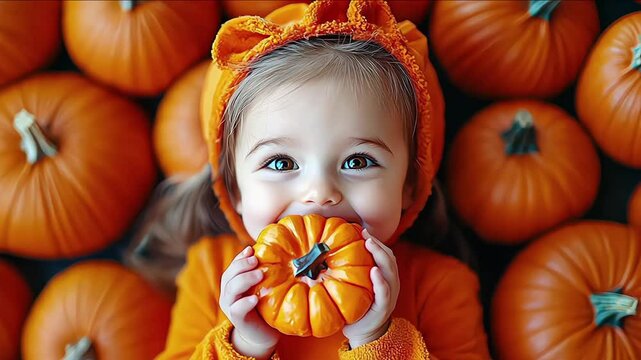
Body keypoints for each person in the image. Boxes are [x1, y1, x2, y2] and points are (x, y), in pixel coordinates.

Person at [130, 1, 490, 359]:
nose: (320, 193)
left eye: (358, 160)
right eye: (281, 163)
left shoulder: (441, 287)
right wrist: (246, 345)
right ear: (234, 186)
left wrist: (376, 340)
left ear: (409, 183)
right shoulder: (212, 275)